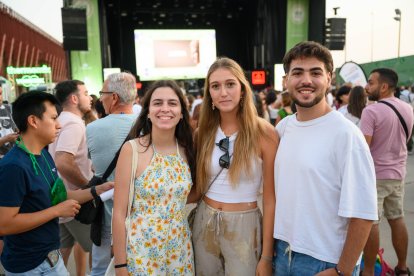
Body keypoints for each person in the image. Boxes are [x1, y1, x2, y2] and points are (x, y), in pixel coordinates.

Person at [273, 41, 378, 275]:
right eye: (297, 73)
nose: (306, 80)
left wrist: (342, 270)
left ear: (329, 79)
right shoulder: (283, 128)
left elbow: (363, 213)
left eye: (316, 72)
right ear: (286, 80)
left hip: (323, 261)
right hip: (281, 252)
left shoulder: (347, 135)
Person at [0, 91, 113, 275]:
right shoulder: (13, 166)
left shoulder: (43, 154)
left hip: (52, 259)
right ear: (33, 121)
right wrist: (57, 211)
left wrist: (96, 190)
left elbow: (58, 194)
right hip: (30, 267)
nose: (59, 125)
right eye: (53, 118)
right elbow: (5, 224)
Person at [191, 57, 277, 275]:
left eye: (230, 84)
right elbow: (197, 187)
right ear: (209, 93)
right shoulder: (202, 133)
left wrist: (267, 255)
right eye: (215, 86)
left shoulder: (264, 133)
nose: (223, 92)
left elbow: (270, 198)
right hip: (204, 221)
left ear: (242, 89)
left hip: (245, 227)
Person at [112, 80, 195, 275]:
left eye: (172, 103)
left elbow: (192, 193)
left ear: (182, 112)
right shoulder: (132, 149)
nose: (165, 109)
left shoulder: (188, 150)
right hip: (141, 254)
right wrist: (120, 265)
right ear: (147, 111)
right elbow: (118, 213)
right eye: (158, 103)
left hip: (180, 252)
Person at [360, 68, 414, 276]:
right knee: (397, 218)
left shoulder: (371, 111)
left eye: (371, 83)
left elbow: (363, 149)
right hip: (398, 174)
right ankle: (402, 267)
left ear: (383, 87)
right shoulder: (407, 108)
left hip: (374, 176)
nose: (366, 87)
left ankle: (368, 272)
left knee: (370, 222)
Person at [86, 72, 137, 275]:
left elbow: (94, 165)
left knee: (100, 268)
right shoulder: (149, 125)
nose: (100, 98)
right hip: (140, 213)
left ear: (114, 97)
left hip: (106, 214)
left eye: (102, 93)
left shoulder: (92, 128)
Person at [48, 80, 94, 276]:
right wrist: (88, 187)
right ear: (74, 99)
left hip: (61, 198)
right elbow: (63, 162)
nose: (90, 97)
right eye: (85, 93)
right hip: (75, 201)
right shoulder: (74, 123)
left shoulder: (59, 120)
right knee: (98, 250)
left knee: (59, 257)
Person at [0, 85, 18, 159]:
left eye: (0, 94)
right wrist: (5, 140)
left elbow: (15, 128)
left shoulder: (7, 108)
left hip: (12, 158)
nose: (0, 98)